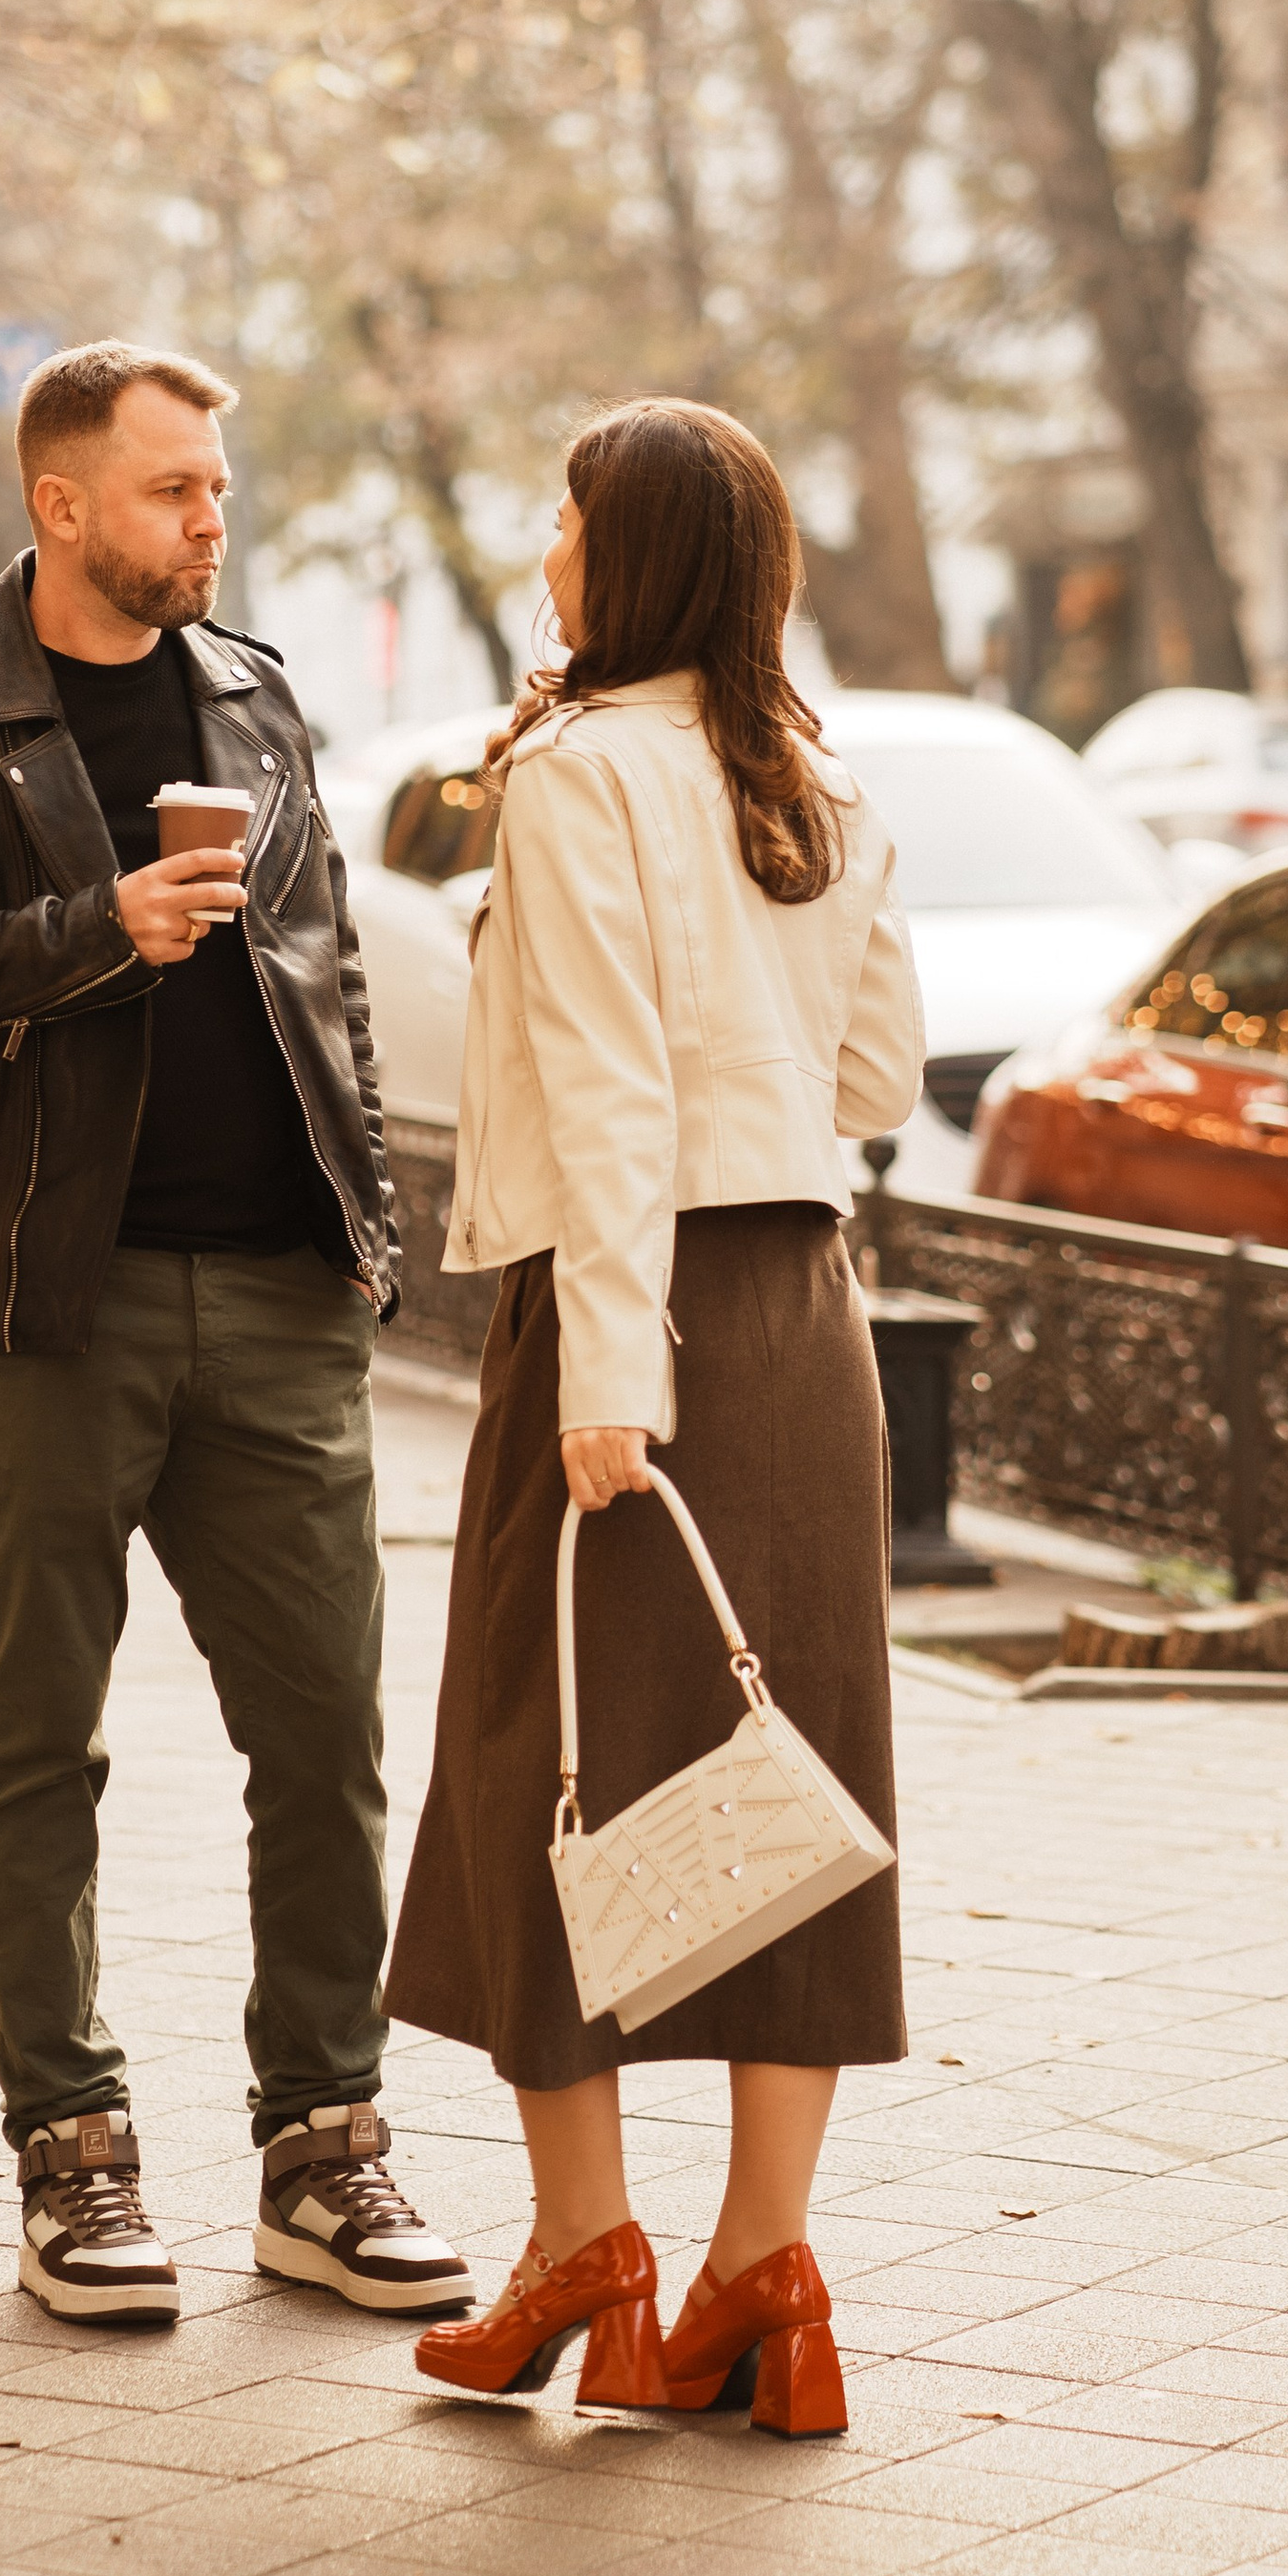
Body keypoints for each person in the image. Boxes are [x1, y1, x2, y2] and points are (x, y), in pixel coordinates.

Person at [0, 339, 474, 2330]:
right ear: (61, 503)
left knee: (327, 1736)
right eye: (174, 489)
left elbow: (326, 965)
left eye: (217, 489)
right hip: (36, 1302)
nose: (209, 519)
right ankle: (69, 2157)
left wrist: (359, 1235)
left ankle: (323, 2145)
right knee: (39, 1739)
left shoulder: (253, 695)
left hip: (274, 1295)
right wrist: (94, 932)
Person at [386, 398, 923, 2436]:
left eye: (565, 517)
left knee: (554, 1767)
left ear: (632, 557)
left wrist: (607, 1368)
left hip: (630, 1323)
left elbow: (606, 1086)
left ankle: (578, 2252)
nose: (543, 546)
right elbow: (872, 1069)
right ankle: (754, 2277)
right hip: (801, 1314)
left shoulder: (577, 775)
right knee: (786, 1791)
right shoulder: (816, 777)